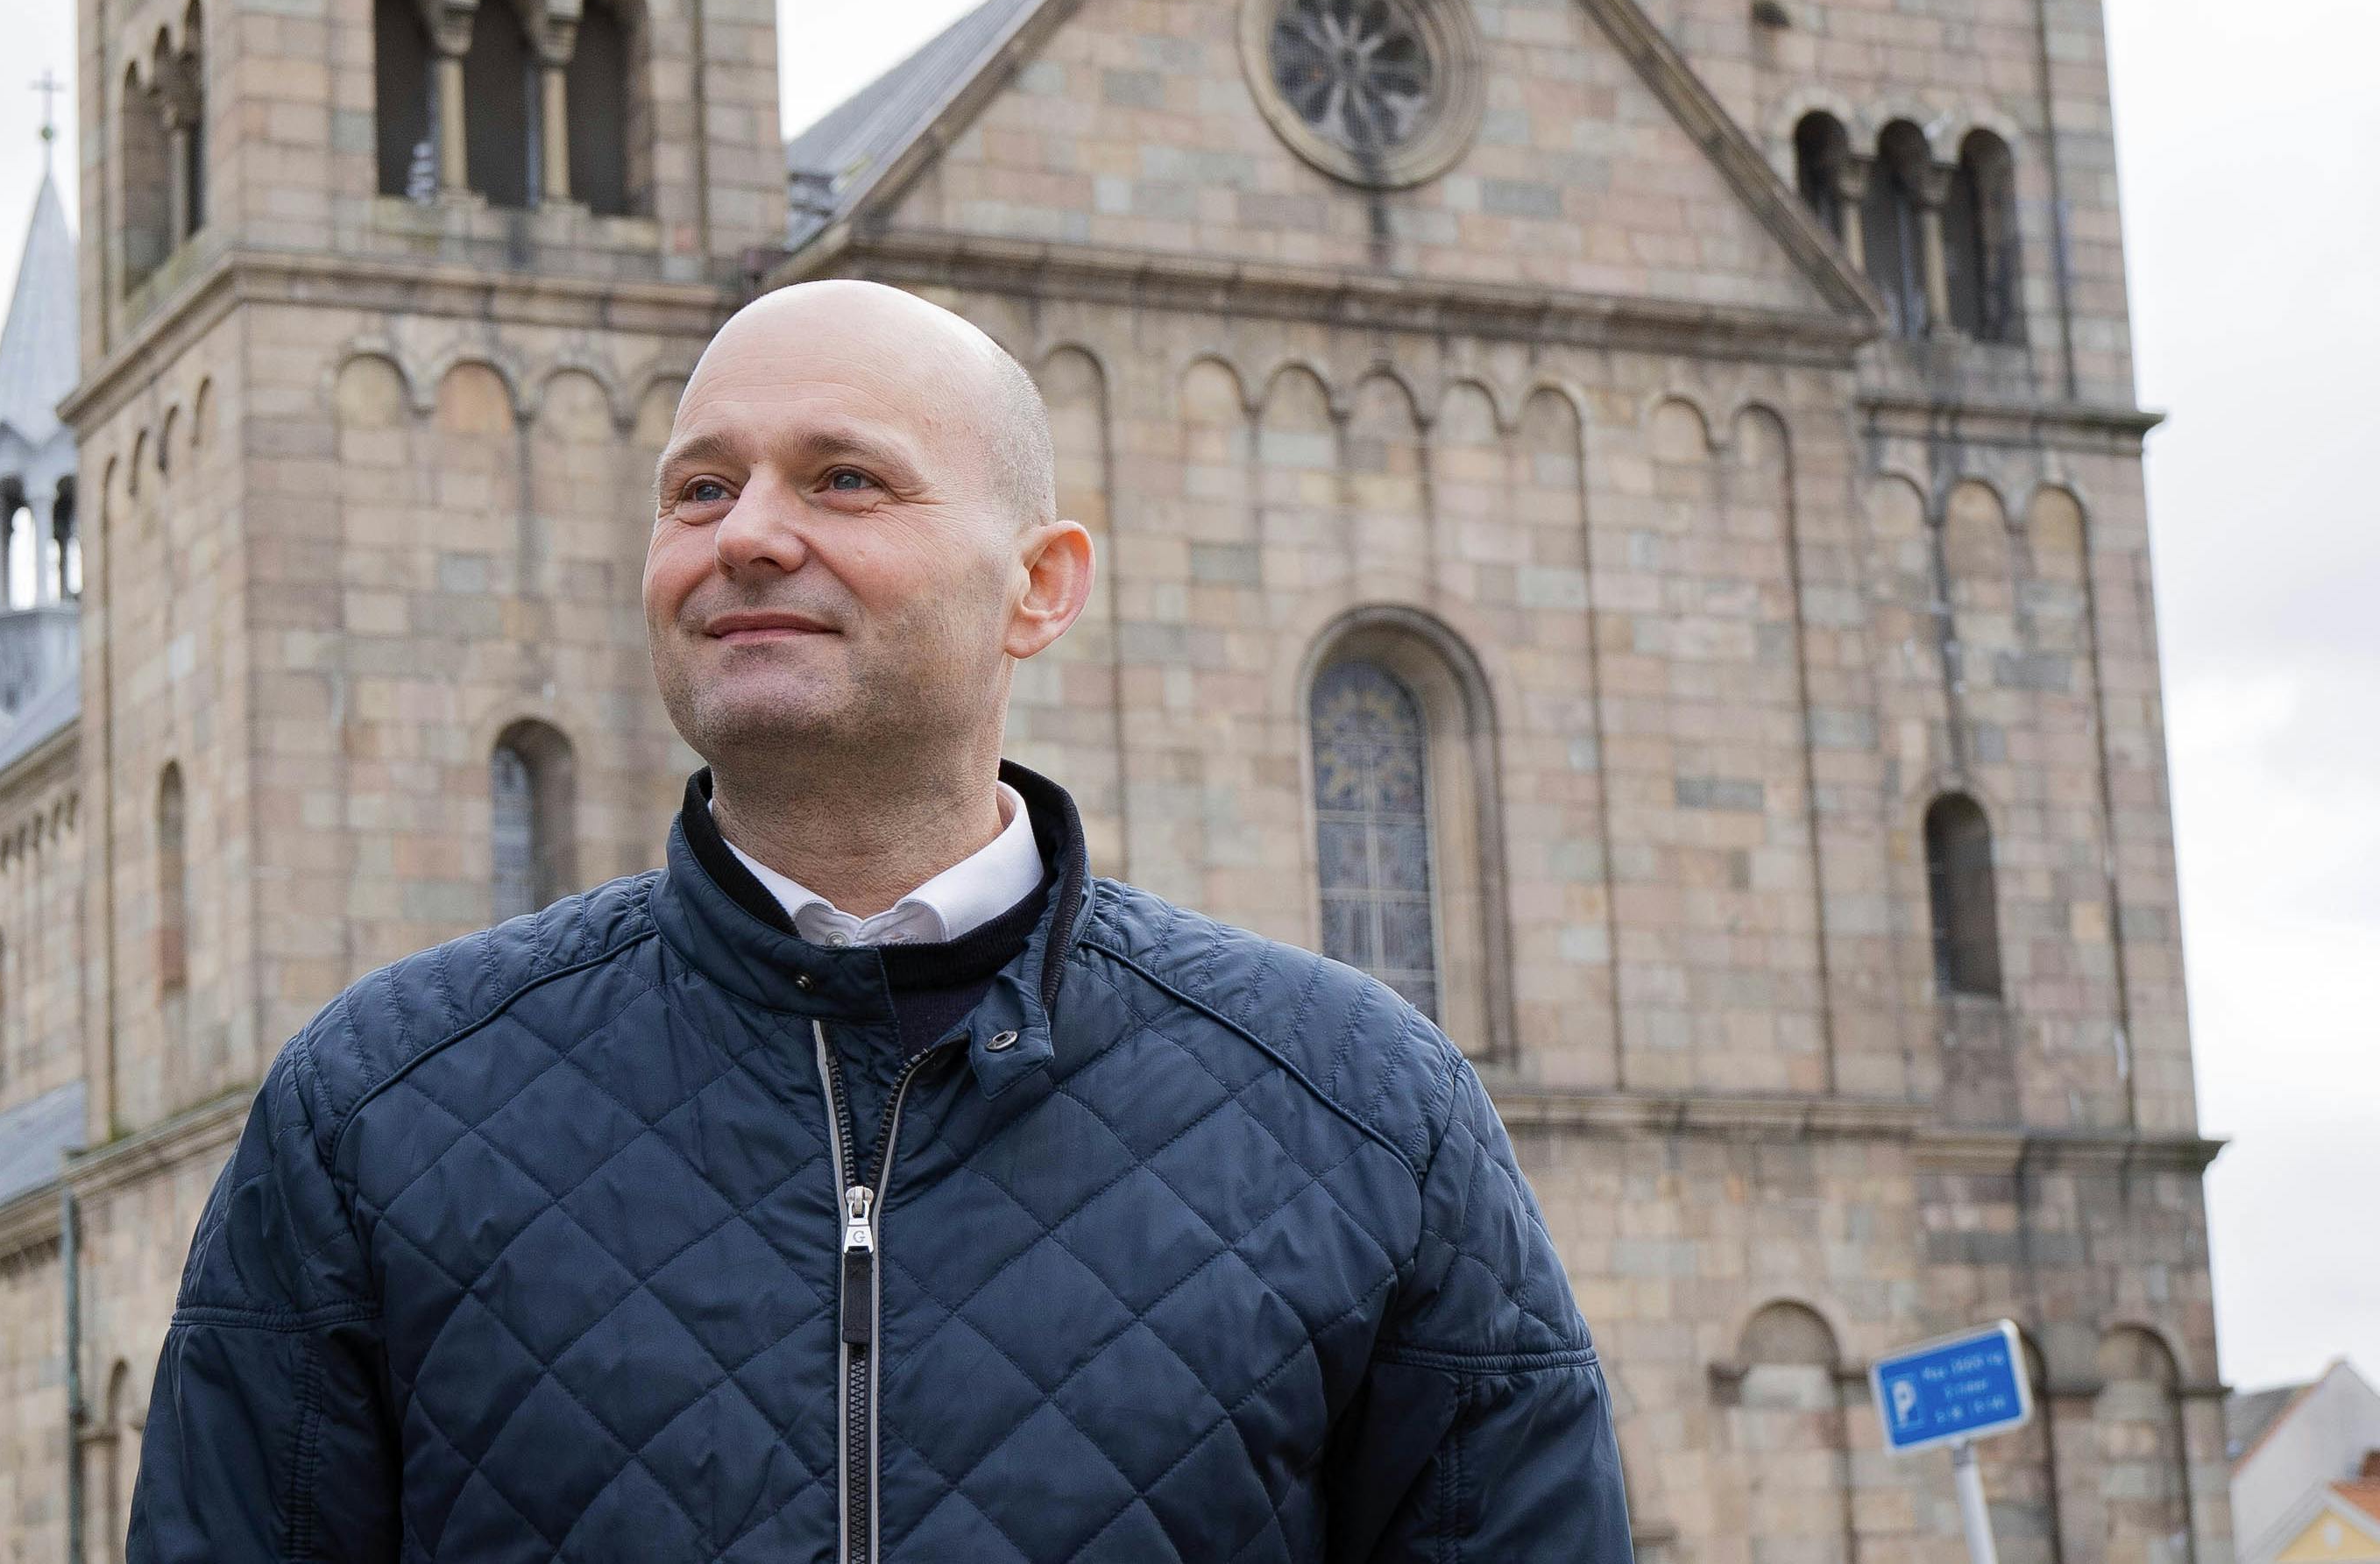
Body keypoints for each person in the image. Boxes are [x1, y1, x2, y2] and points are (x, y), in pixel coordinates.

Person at [126, 280, 1632, 1561]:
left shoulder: (1367, 1109)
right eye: (700, 489)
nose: (750, 535)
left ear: (1038, 588)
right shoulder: (374, 1108)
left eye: (844, 478)